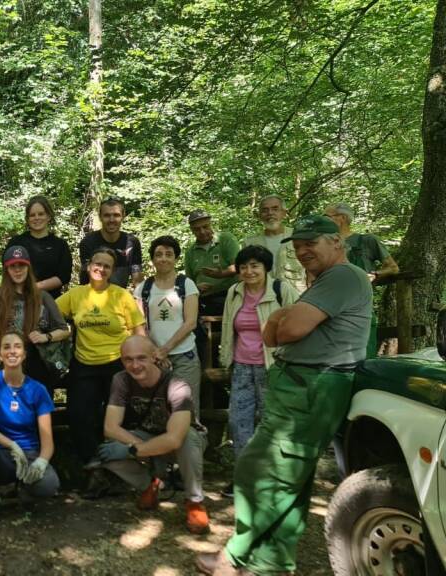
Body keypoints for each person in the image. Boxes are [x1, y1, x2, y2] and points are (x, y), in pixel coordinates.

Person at [196, 214, 372, 576]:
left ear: (337, 241)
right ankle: (270, 563)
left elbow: (285, 328)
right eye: (299, 244)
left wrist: (282, 319)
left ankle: (236, 556)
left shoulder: (342, 276)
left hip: (311, 387)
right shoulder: (329, 280)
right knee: (289, 477)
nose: (304, 249)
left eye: (313, 242)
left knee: (258, 470)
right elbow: (273, 333)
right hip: (305, 385)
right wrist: (281, 323)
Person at [95, 336, 210, 534]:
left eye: (141, 358)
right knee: (106, 451)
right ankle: (150, 484)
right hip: (147, 436)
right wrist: (142, 448)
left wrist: (133, 449)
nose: (135, 365)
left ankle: (194, 501)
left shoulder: (177, 385)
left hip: (181, 441)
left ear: (153, 358)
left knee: (188, 438)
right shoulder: (121, 380)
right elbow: (111, 427)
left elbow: (174, 438)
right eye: (128, 359)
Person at [217, 245, 298, 498]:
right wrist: (225, 359)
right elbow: (228, 326)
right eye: (243, 267)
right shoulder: (234, 292)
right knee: (238, 421)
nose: (249, 271)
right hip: (241, 365)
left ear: (265, 268)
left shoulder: (281, 291)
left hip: (273, 366)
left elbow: (298, 325)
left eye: (254, 266)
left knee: (270, 422)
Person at [56, 247, 146, 466]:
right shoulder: (76, 295)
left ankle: (119, 462)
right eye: (98, 264)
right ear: (88, 267)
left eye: (107, 266)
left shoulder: (121, 295)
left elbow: (139, 330)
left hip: (117, 363)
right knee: (78, 413)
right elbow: (49, 312)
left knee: (119, 414)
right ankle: (92, 463)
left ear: (112, 271)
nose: (101, 269)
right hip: (84, 364)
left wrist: (140, 359)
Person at [0, 331, 59, 525]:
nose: (12, 351)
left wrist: (41, 462)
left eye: (17, 346)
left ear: (24, 354)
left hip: (28, 455)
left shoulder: (38, 390)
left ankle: (24, 491)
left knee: (49, 485)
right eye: (6, 347)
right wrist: (11, 444)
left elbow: (48, 442)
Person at [0, 246, 71, 390]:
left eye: (21, 265)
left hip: (38, 362)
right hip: (9, 361)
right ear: (7, 270)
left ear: (28, 268)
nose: (18, 270)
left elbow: (64, 330)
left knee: (37, 405)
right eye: (13, 266)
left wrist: (46, 337)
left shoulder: (42, 296)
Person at [134, 236, 201, 416]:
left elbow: (190, 322)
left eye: (169, 254)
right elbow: (140, 324)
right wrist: (156, 352)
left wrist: (165, 349)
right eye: (158, 254)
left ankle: (191, 442)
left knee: (187, 407)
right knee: (158, 408)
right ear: (153, 259)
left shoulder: (186, 284)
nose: (163, 258)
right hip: (153, 357)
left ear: (176, 258)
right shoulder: (143, 288)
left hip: (184, 355)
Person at [324, 202, 399, 358]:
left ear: (342, 218)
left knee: (365, 353)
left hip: (361, 306)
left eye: (327, 216)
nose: (323, 220)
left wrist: (375, 274)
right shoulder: (326, 244)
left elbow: (393, 268)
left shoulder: (366, 241)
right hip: (332, 306)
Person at [5, 196, 73, 299]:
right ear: (27, 219)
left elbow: (63, 277)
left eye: (41, 214)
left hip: (50, 301)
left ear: (49, 216)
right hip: (19, 298)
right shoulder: (16, 242)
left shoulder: (60, 245)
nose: (36, 218)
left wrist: (34, 287)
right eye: (32, 215)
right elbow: (7, 269)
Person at [242, 195, 307, 294]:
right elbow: (244, 275)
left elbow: (313, 270)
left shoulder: (299, 237)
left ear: (284, 213)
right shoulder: (249, 243)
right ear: (260, 215)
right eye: (265, 210)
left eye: (275, 209)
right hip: (262, 299)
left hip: (296, 297)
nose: (270, 213)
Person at [183, 209, 240, 317]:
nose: (202, 231)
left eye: (205, 227)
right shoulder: (190, 252)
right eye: (197, 229)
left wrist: (221, 274)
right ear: (192, 230)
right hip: (203, 299)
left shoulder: (226, 239)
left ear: (211, 224)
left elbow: (240, 266)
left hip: (228, 295)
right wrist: (196, 287)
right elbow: (189, 282)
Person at [77, 197, 143, 288]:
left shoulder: (132, 242)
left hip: (120, 296)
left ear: (123, 216)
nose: (111, 220)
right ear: (100, 217)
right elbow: (86, 277)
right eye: (107, 215)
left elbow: (137, 277)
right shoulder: (88, 242)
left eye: (116, 215)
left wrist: (140, 298)